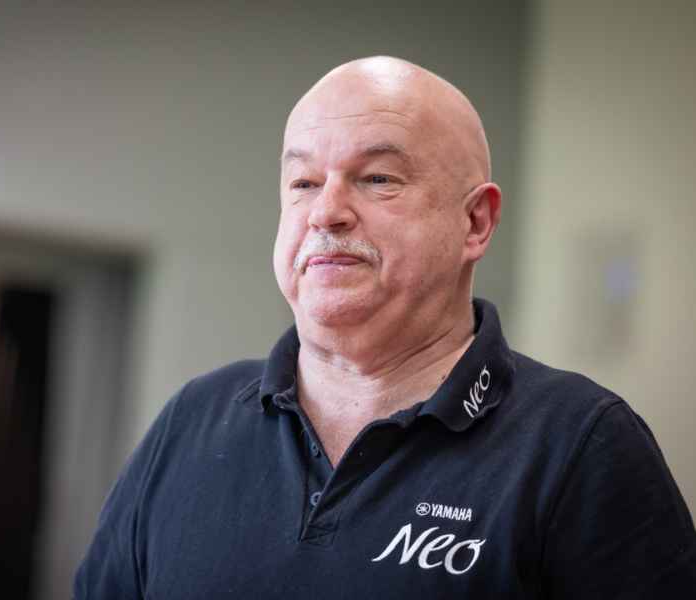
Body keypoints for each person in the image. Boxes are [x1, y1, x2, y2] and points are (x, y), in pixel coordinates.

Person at [74, 56, 696, 598]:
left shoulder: (579, 445)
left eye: (377, 179)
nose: (326, 211)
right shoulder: (192, 420)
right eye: (303, 182)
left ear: (475, 222)